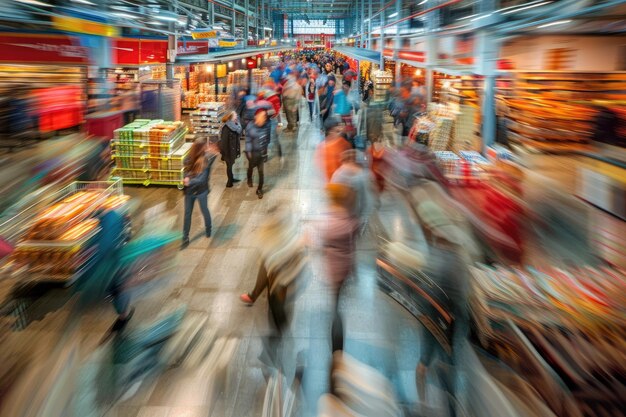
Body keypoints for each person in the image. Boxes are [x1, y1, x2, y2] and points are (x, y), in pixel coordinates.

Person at [413, 201, 471, 416]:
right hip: (455, 321)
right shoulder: (457, 255)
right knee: (450, 364)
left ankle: (423, 403)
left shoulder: (438, 258)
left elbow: (430, 297)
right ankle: (450, 407)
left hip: (436, 320)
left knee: (425, 362)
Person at [239, 208, 309, 365]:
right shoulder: (280, 243)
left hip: (280, 287)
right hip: (278, 287)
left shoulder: (281, 244)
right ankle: (275, 344)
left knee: (277, 314)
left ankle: (275, 343)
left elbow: (281, 264)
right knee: (277, 314)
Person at [319, 183, 359, 353]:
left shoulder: (329, 220)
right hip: (346, 266)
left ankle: (337, 348)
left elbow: (321, 241)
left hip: (333, 269)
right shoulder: (351, 220)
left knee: (335, 309)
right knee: (337, 302)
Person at [182, 140, 217, 249]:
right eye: (203, 147)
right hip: (190, 192)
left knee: (204, 210)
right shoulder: (188, 159)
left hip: (201, 191)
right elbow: (185, 171)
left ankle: (208, 228)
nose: (205, 149)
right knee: (187, 214)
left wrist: (189, 180)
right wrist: (187, 177)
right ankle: (185, 237)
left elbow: (202, 179)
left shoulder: (205, 160)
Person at [331, 150, 374, 231]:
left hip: (345, 217)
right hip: (351, 216)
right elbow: (366, 200)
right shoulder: (362, 175)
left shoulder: (337, 174)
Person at [245, 108, 271, 199]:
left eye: (265, 116)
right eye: (262, 116)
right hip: (252, 153)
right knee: (251, 168)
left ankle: (259, 189)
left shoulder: (266, 125)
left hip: (261, 153)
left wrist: (266, 150)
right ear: (256, 117)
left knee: (261, 172)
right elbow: (248, 139)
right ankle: (249, 178)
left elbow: (267, 138)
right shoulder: (250, 126)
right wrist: (248, 151)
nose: (264, 118)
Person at [219, 111, 242, 188]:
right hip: (228, 151)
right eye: (235, 114)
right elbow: (224, 141)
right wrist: (224, 153)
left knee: (230, 165)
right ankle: (229, 182)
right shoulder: (226, 127)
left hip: (233, 149)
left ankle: (231, 178)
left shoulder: (234, 124)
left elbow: (239, 133)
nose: (236, 115)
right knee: (229, 165)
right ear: (231, 116)